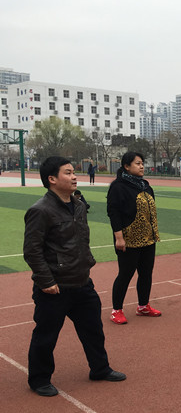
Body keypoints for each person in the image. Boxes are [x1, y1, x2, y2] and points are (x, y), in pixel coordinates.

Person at [23, 156, 126, 397]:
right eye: (68, 172)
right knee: (46, 336)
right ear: (52, 179)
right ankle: (39, 380)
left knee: (93, 330)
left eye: (73, 172)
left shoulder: (78, 205)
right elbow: (32, 251)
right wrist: (46, 281)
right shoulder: (40, 210)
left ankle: (100, 369)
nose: (74, 176)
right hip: (55, 287)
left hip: (81, 282)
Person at [107, 151, 162, 325]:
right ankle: (116, 310)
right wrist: (119, 237)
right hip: (129, 239)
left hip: (148, 238)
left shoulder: (145, 186)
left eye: (142, 163)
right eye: (137, 163)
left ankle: (143, 305)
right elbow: (113, 212)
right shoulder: (118, 186)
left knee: (146, 274)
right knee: (125, 274)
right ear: (126, 166)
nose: (142, 166)